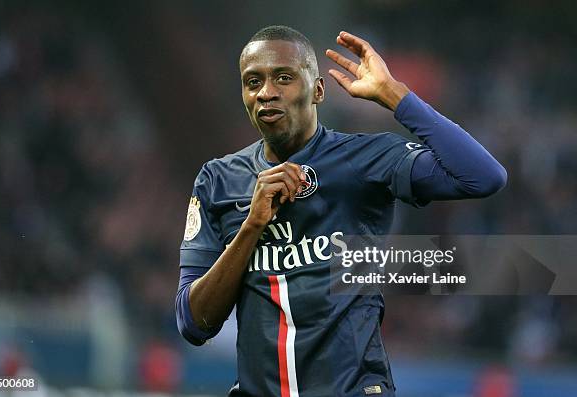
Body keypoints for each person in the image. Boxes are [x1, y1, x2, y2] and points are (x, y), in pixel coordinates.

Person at [176, 25, 506, 397]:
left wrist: (395, 96)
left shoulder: (367, 159)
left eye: (284, 78)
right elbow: (193, 322)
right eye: (253, 82)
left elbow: (483, 177)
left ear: (317, 90)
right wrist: (252, 226)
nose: (267, 93)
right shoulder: (218, 180)